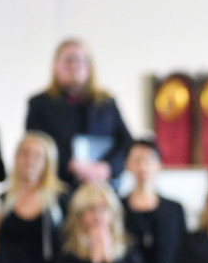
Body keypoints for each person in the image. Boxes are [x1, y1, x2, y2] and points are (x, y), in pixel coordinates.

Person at [25, 39, 132, 186]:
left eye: (81, 60)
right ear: (56, 65)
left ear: (90, 66)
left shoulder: (107, 103)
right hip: (59, 185)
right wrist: (70, 164)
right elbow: (36, 145)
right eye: (68, 60)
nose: (74, 66)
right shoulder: (40, 104)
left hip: (102, 187)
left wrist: (106, 168)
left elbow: (126, 143)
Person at [0, 131, 68, 263]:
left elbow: (69, 244)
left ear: (48, 162)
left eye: (38, 156)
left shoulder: (62, 200)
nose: (30, 160)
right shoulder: (0, 201)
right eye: (25, 153)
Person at [122, 139, 187, 263]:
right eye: (137, 159)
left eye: (149, 159)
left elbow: (181, 254)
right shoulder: (117, 207)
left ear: (159, 164)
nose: (143, 165)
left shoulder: (174, 210)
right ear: (127, 164)